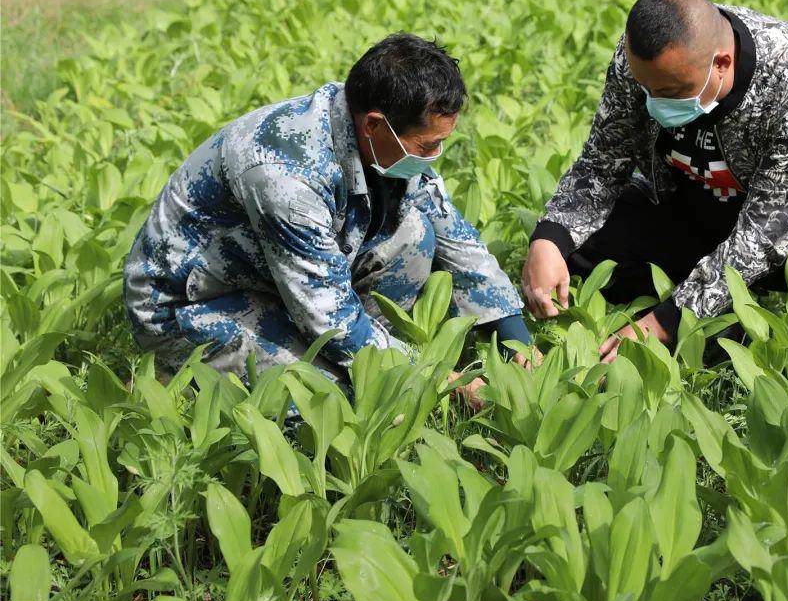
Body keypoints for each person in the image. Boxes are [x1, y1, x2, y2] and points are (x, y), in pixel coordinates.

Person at [124, 33, 530, 400]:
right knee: (331, 398)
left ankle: (372, 349)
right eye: (426, 146)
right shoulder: (284, 177)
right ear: (375, 124)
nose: (433, 158)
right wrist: (440, 381)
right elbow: (326, 312)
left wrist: (519, 345)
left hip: (281, 276)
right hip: (193, 301)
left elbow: (453, 232)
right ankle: (177, 369)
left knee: (415, 232)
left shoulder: (372, 123)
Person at [521, 0, 788, 362]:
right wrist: (549, 238)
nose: (654, 101)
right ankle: (715, 316)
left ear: (722, 63)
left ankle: (785, 347)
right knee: (578, 246)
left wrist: (664, 322)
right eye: (646, 89)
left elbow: (766, 229)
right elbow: (602, 160)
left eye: (672, 91)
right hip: (699, 209)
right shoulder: (641, 63)